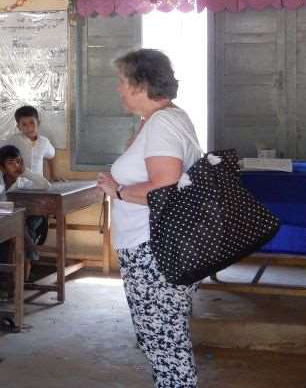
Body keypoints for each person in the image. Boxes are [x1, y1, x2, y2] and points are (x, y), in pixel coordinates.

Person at [95, 49, 202, 388]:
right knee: (159, 341)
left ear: (141, 85)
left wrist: (119, 191)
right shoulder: (156, 121)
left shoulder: (164, 123)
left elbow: (164, 187)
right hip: (147, 247)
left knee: (166, 344)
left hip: (154, 250)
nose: (118, 89)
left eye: (123, 82)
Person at [0, 144, 49, 277]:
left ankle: (13, 274)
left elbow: (45, 185)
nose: (16, 165)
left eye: (18, 161)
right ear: (2, 167)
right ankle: (29, 249)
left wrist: (25, 171)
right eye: (11, 163)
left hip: (19, 219)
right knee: (5, 236)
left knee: (17, 227)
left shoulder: (24, 181)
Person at [0, 105, 57, 180]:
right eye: (24, 124)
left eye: (32, 123)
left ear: (38, 123)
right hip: (18, 183)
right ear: (19, 127)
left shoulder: (44, 142)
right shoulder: (14, 140)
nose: (29, 128)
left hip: (38, 183)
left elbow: (51, 156)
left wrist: (53, 175)